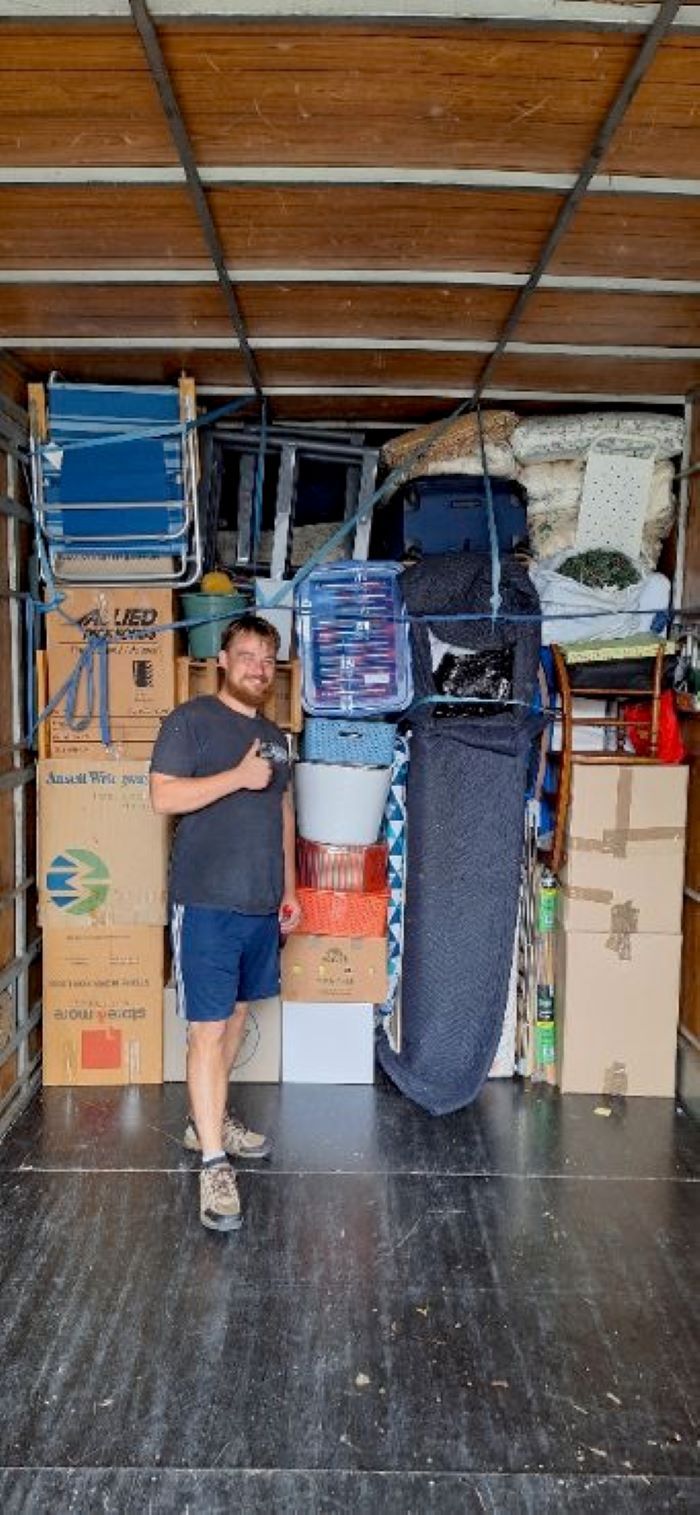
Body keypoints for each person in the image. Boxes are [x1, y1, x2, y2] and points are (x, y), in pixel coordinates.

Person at [150, 612, 301, 1232]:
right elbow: (161, 796)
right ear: (222, 660)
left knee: (237, 1018)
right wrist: (236, 777)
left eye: (267, 660)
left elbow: (284, 814)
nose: (257, 669)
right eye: (246, 656)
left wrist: (289, 889)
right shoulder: (190, 722)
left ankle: (204, 1121)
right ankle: (213, 1162)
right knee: (206, 1032)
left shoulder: (279, 737)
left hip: (261, 905)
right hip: (207, 902)